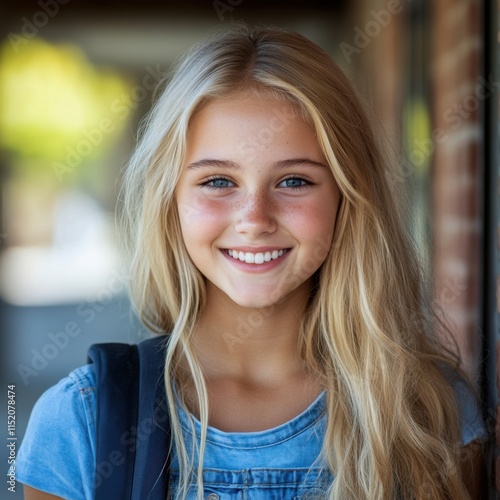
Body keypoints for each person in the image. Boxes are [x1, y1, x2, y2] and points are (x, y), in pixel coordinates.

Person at [17, 25, 486, 499]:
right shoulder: (81, 423)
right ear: (170, 200)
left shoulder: (428, 413)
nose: (254, 219)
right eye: (218, 181)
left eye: (294, 181)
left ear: (347, 195)